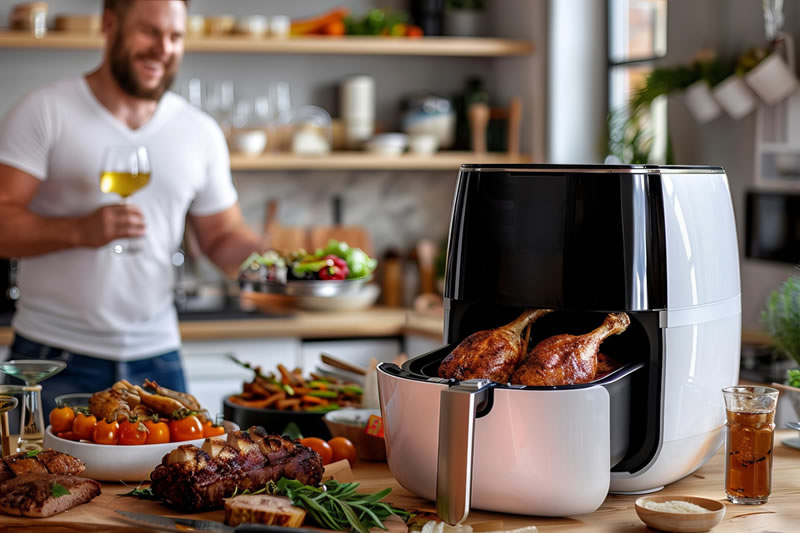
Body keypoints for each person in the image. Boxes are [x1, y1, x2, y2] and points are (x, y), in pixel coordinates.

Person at [0, 0, 263, 411]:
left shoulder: (199, 131)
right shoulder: (44, 111)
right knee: (45, 477)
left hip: (159, 360)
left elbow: (222, 237)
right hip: (53, 358)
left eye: (175, 36)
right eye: (149, 32)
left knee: (171, 477)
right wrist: (79, 231)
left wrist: (273, 262)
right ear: (109, 24)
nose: (163, 48)